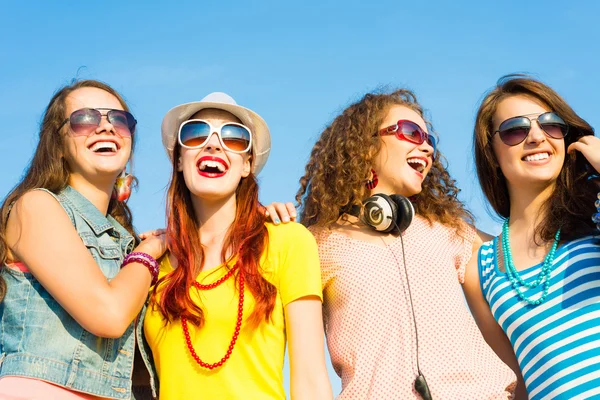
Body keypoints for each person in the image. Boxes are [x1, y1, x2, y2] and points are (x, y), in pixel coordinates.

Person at [292, 88, 516, 399]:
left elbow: (525, 246)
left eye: (430, 140)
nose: (426, 148)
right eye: (411, 133)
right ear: (366, 145)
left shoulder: (450, 230)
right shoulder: (315, 244)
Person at [141, 92, 333, 399]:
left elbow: (311, 380)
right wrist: (144, 254)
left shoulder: (288, 241)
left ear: (247, 165)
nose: (213, 143)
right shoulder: (152, 261)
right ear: (179, 159)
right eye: (196, 133)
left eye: (233, 138)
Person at [0, 80, 166, 399]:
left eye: (119, 119)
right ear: (58, 141)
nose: (105, 127)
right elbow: (109, 315)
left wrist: (260, 220)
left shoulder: (125, 244)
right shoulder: (35, 206)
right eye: (85, 119)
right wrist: (150, 251)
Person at [465, 74, 600, 400]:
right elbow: (517, 385)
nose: (537, 136)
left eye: (552, 125)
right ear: (492, 154)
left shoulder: (594, 219)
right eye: (515, 129)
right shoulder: (480, 265)